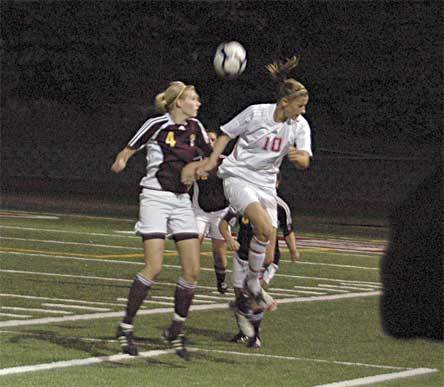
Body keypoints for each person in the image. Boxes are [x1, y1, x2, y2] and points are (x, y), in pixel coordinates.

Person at [184, 56, 313, 311]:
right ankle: (251, 286)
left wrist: (301, 159)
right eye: (300, 105)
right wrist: (211, 163)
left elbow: (306, 159)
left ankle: (252, 283)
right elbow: (225, 135)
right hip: (238, 176)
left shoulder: (300, 125)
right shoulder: (256, 113)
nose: (303, 111)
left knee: (266, 242)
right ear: (285, 103)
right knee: (263, 225)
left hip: (265, 184)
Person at [111, 81, 212, 360]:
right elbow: (129, 149)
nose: (198, 103)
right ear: (178, 102)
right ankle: (126, 325)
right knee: (154, 267)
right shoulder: (156, 124)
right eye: (193, 98)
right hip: (155, 197)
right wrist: (121, 161)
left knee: (192, 272)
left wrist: (199, 167)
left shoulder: (197, 128)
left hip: (181, 202)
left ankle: (175, 331)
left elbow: (211, 157)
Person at [219, 195, 300, 348]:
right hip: (241, 256)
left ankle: (255, 336)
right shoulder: (243, 200)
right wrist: (229, 238)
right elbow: (223, 223)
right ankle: (244, 331)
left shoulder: (279, 206)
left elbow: (288, 230)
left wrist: (293, 250)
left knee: (254, 294)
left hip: (264, 260)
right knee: (240, 298)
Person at [191, 130, 230, 294]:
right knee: (194, 244)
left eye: (214, 140)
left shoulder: (226, 162)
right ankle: (189, 280)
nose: (211, 143)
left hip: (221, 212)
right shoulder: (195, 162)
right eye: (208, 140)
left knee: (219, 254)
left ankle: (221, 282)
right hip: (200, 211)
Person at [261, 195, 301, 286]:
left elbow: (287, 230)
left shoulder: (281, 206)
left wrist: (293, 250)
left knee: (255, 285)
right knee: (246, 286)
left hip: (269, 253)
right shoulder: (249, 200)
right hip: (248, 249)